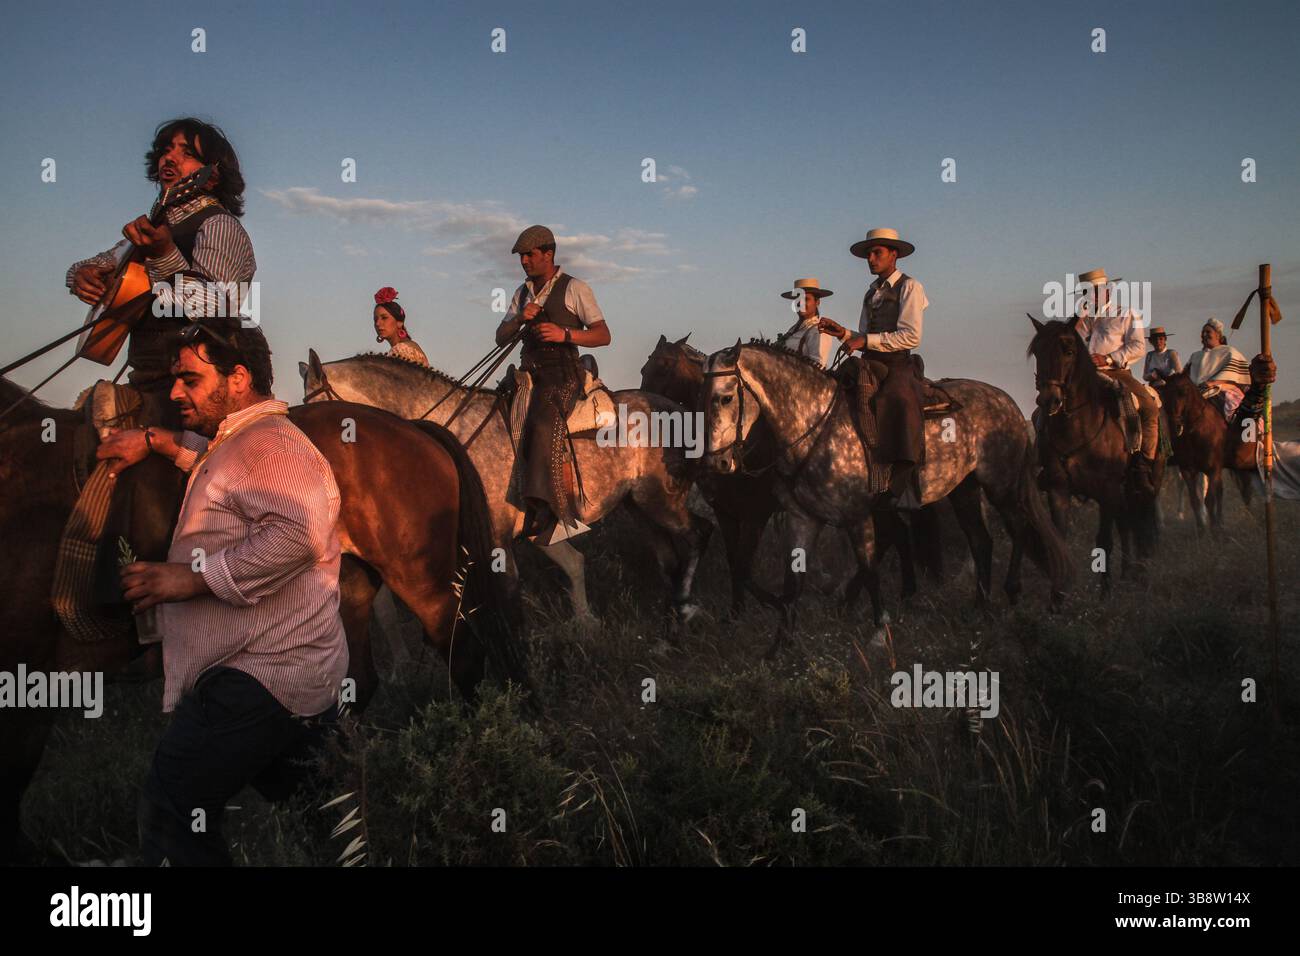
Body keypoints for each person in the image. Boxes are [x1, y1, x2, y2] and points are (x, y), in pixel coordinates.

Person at [95, 319, 347, 866]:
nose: (175, 392)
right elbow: (223, 475)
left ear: (238, 378)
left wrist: (191, 579)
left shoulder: (273, 446)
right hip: (284, 673)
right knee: (321, 814)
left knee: (171, 805)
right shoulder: (240, 442)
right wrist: (159, 442)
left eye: (189, 378)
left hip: (259, 674)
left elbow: (297, 536)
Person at [64, 117, 256, 606]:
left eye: (186, 152)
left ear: (211, 172)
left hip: (203, 384)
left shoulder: (220, 226)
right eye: (166, 149)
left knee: (152, 476)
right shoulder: (147, 230)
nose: (171, 158)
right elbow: (101, 263)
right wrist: (83, 275)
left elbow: (220, 306)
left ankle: (151, 604)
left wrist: (168, 256)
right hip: (149, 376)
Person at [494, 225, 611, 542]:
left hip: (562, 371)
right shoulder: (521, 293)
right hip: (528, 370)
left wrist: (566, 334)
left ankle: (550, 511)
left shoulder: (575, 288)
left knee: (544, 423)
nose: (524, 261)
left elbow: (603, 334)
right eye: (521, 256)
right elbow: (500, 337)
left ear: (549, 253)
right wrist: (520, 318)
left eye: (530, 254)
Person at [817, 228, 927, 507]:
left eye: (877, 252)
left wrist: (864, 339)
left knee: (897, 398)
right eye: (868, 254)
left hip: (899, 361)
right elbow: (863, 337)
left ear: (894, 255)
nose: (871, 258)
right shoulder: (871, 293)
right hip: (873, 359)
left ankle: (902, 470)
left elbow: (911, 335)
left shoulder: (910, 286)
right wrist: (842, 333)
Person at [1072, 267, 1160, 498]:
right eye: (1086, 293)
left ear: (1107, 292)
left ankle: (1142, 463)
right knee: (1052, 404)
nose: (1090, 297)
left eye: (1094, 292)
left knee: (1148, 408)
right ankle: (1049, 459)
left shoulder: (1127, 313)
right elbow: (1069, 344)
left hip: (1117, 372)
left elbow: (1138, 346)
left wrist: (1109, 358)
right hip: (1085, 375)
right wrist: (1078, 321)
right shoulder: (1081, 320)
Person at [1186, 317, 1251, 420]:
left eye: (1208, 332)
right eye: (1203, 332)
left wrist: (1212, 383)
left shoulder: (1229, 351)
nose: (1204, 335)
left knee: (1235, 410)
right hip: (1197, 392)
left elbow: (1233, 375)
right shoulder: (1195, 356)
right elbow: (1186, 375)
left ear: (1218, 335)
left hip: (1223, 390)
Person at [777, 278, 837, 366]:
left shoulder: (819, 330)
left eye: (806, 299)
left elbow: (817, 367)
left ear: (817, 302)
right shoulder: (793, 329)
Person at [372, 287, 428, 366]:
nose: (377, 323)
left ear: (399, 322)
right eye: (375, 320)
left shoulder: (400, 350)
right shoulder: (410, 346)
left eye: (384, 318)